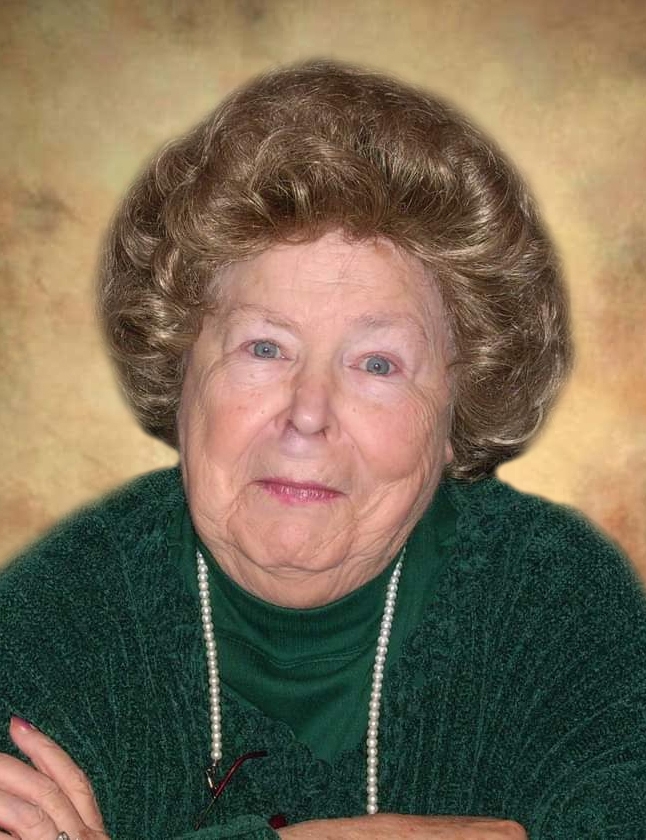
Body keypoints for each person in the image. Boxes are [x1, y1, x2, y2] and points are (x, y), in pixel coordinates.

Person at [0, 59, 645, 840]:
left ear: (458, 409)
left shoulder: (555, 599)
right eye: (264, 348)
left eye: (377, 365)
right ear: (180, 369)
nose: (308, 415)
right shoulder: (56, 618)